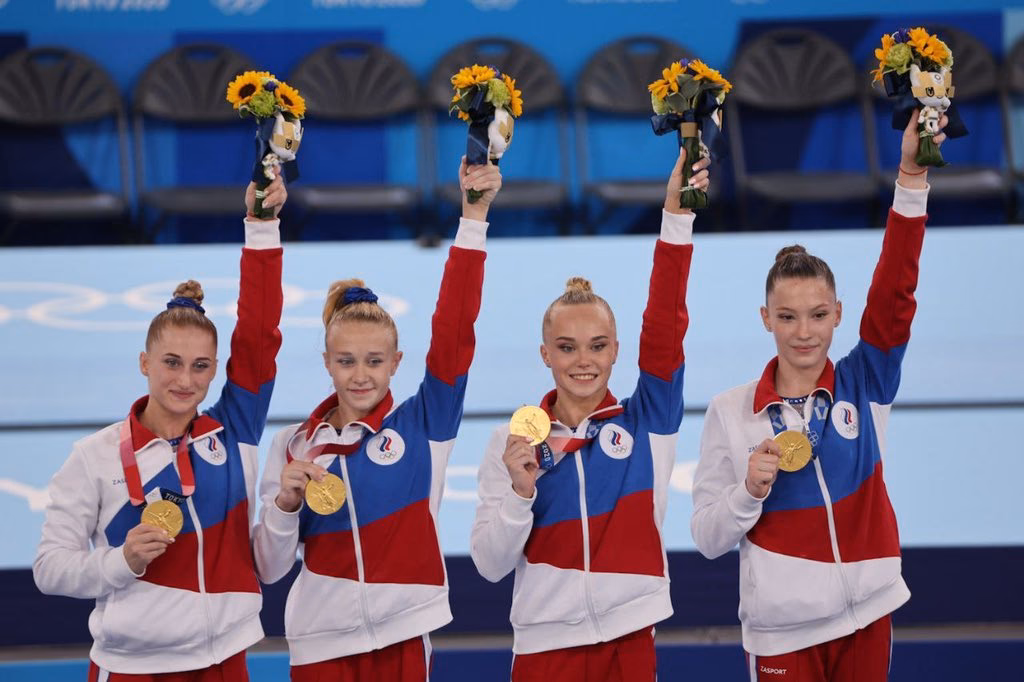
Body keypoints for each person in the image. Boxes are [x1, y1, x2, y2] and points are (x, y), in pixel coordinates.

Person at [690, 114, 947, 682]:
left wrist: (911, 176)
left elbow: (896, 293)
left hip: (868, 613)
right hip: (781, 631)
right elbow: (707, 539)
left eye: (817, 315)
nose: (803, 332)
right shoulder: (732, 412)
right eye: (787, 317)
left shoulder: (865, 384)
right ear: (765, 319)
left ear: (839, 315)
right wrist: (746, 494)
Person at [252, 158, 501, 681]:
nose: (360, 376)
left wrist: (472, 218)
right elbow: (271, 569)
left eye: (374, 361)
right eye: (346, 361)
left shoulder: (424, 426)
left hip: (402, 637)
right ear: (326, 363)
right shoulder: (294, 447)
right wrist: (283, 505)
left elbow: (455, 329)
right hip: (318, 645)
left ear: (396, 363)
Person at [33, 174, 287, 681]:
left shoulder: (232, 431)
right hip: (134, 668)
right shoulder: (95, 455)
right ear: (144, 362)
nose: (185, 380)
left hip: (225, 661)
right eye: (171, 363)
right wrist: (120, 562)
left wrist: (263, 225)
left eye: (199, 366)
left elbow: (259, 336)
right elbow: (49, 568)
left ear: (215, 370)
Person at [471, 149, 709, 681]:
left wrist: (676, 213)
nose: (584, 362)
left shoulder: (647, 422)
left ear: (617, 350)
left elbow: (667, 326)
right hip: (544, 648)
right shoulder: (510, 445)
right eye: (568, 347)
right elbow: (489, 566)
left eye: (597, 346)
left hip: (630, 638)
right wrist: (519, 493)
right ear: (545, 354)